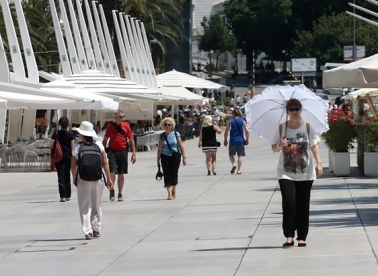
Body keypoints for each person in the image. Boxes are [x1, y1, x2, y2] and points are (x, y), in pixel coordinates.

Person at [271, 99, 323, 248]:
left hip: (305, 172)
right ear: (287, 111)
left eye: (297, 109)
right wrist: (281, 144)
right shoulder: (281, 128)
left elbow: (314, 146)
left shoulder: (307, 127)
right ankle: (289, 235)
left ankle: (302, 237)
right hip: (285, 172)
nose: (294, 112)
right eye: (291, 109)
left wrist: (319, 164)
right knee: (289, 202)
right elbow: (274, 148)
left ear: (301, 110)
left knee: (302, 204)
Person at [71, 121, 113, 240]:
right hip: (98, 178)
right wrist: (109, 179)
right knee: (96, 203)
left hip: (83, 178)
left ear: (82, 135)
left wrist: (74, 177)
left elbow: (73, 165)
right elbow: (105, 163)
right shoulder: (99, 145)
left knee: (84, 204)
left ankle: (87, 230)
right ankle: (96, 228)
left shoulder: (77, 146)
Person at [102, 110, 136, 202]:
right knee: (112, 172)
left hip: (123, 151)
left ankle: (120, 193)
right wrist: (103, 151)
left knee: (121, 173)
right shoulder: (110, 127)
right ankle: (112, 190)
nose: (123, 118)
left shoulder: (126, 126)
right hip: (112, 152)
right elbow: (105, 140)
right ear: (116, 118)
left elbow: (131, 140)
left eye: (123, 116)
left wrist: (133, 153)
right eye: (120, 117)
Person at [157, 117, 187, 200]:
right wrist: (158, 160)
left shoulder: (176, 134)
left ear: (172, 125)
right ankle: (169, 193)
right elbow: (159, 148)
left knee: (174, 173)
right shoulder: (162, 136)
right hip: (165, 156)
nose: (167, 126)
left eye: (169, 125)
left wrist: (184, 157)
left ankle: (174, 188)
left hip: (175, 155)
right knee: (166, 174)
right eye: (165, 124)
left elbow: (181, 146)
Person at [51, 117, 76, 202]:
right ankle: (68, 194)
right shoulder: (71, 134)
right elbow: (73, 147)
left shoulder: (56, 134)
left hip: (58, 156)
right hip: (68, 156)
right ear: (68, 124)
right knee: (67, 174)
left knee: (60, 175)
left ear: (60, 124)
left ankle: (62, 196)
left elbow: (51, 145)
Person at [224, 109, 249, 174]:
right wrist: (247, 139)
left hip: (232, 141)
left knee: (231, 154)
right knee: (240, 155)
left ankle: (234, 164)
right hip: (240, 141)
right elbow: (246, 130)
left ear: (234, 114)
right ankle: (239, 170)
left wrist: (225, 139)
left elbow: (226, 131)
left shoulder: (230, 121)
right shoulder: (243, 121)